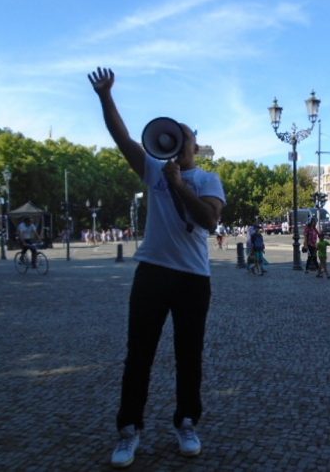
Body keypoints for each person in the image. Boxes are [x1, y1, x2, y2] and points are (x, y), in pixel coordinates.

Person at [88, 67, 226, 468]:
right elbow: (122, 138)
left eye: (187, 138)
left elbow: (210, 221)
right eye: (176, 136)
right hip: (152, 271)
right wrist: (105, 97)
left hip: (193, 278)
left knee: (190, 354)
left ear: (195, 148)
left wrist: (180, 185)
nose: (181, 142)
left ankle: (186, 421)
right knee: (139, 355)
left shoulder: (208, 179)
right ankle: (129, 430)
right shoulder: (152, 170)